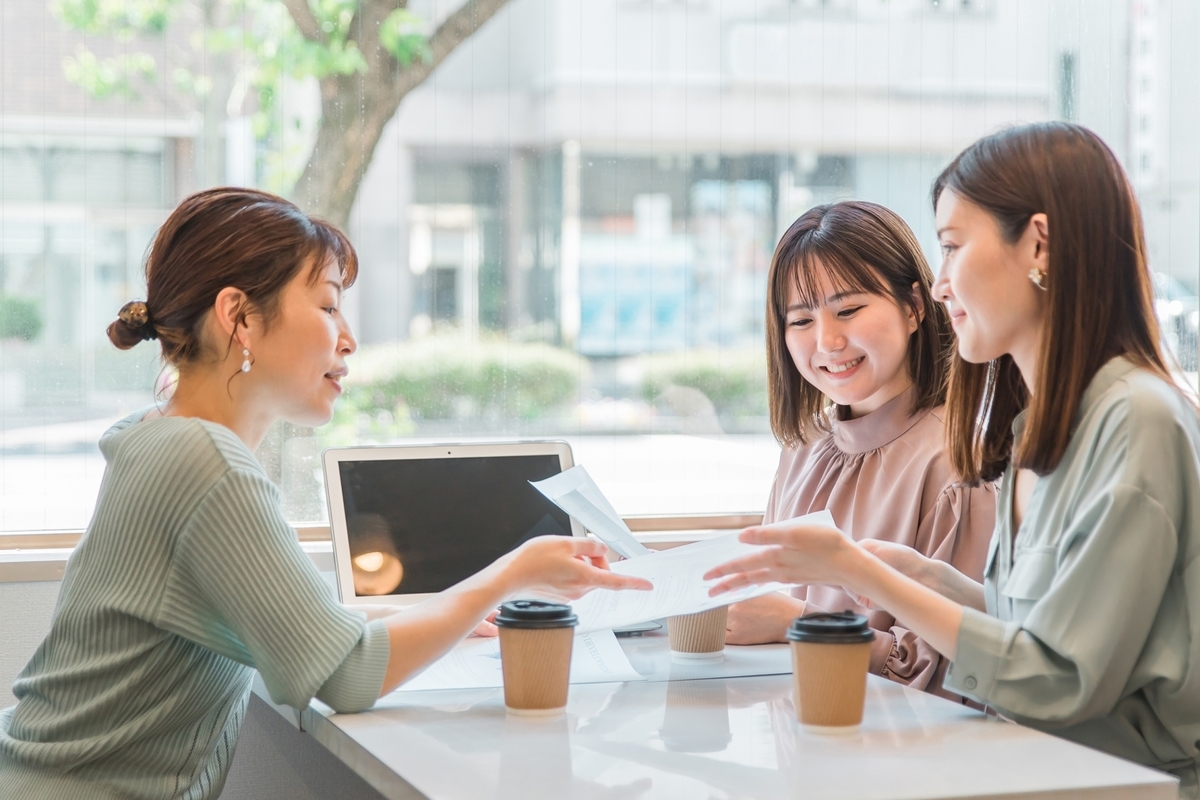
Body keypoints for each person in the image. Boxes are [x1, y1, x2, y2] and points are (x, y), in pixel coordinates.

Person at [0, 188, 650, 800]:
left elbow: (305, 632)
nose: (349, 338)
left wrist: (443, 617)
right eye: (329, 304)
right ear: (240, 317)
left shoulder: (158, 437)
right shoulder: (203, 461)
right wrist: (512, 572)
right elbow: (346, 675)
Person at [706, 122, 1200, 796]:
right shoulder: (1045, 425)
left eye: (951, 248)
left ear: (1038, 244)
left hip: (1114, 783)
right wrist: (924, 576)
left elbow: (1056, 682)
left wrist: (859, 575)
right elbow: (1029, 629)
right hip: (1034, 769)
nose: (939, 288)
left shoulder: (1135, 420)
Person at [724, 201, 995, 699]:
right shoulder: (804, 450)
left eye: (848, 310)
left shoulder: (957, 464)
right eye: (801, 321)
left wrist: (799, 622)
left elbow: (952, 677)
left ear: (915, 306)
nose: (827, 342)